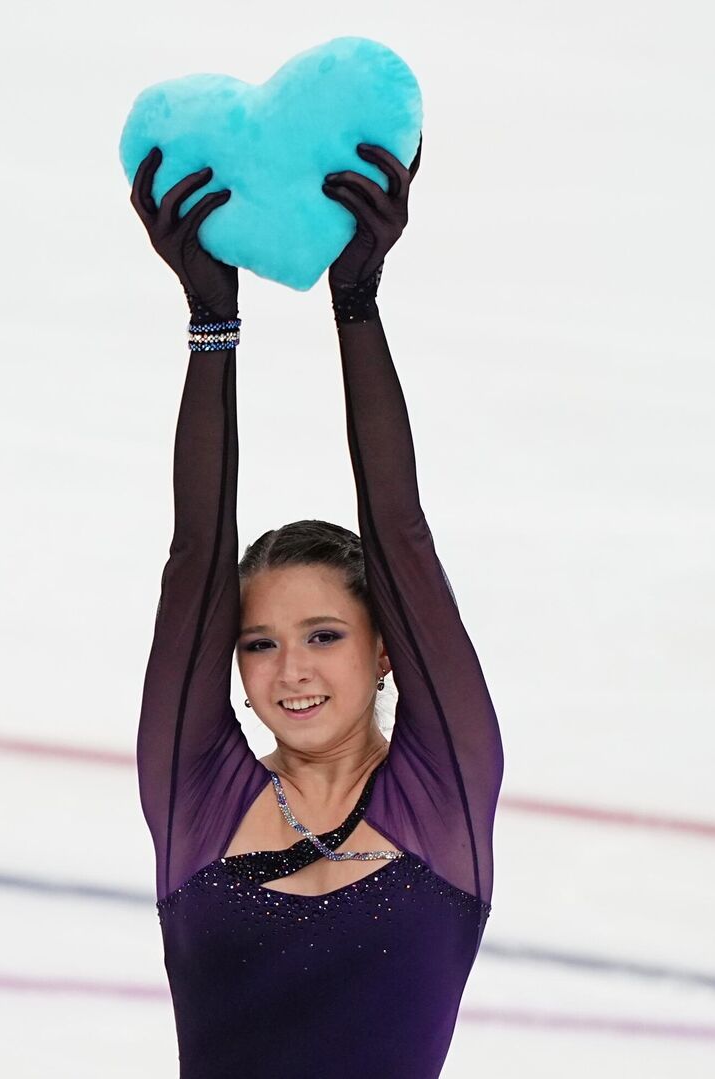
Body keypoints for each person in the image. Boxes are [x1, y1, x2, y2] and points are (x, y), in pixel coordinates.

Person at [129, 138, 504, 1077]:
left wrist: (358, 306)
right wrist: (211, 326)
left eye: (324, 635)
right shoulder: (197, 794)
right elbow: (194, 562)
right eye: (258, 644)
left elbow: (403, 538)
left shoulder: (443, 790)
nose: (290, 669)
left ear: (388, 650)